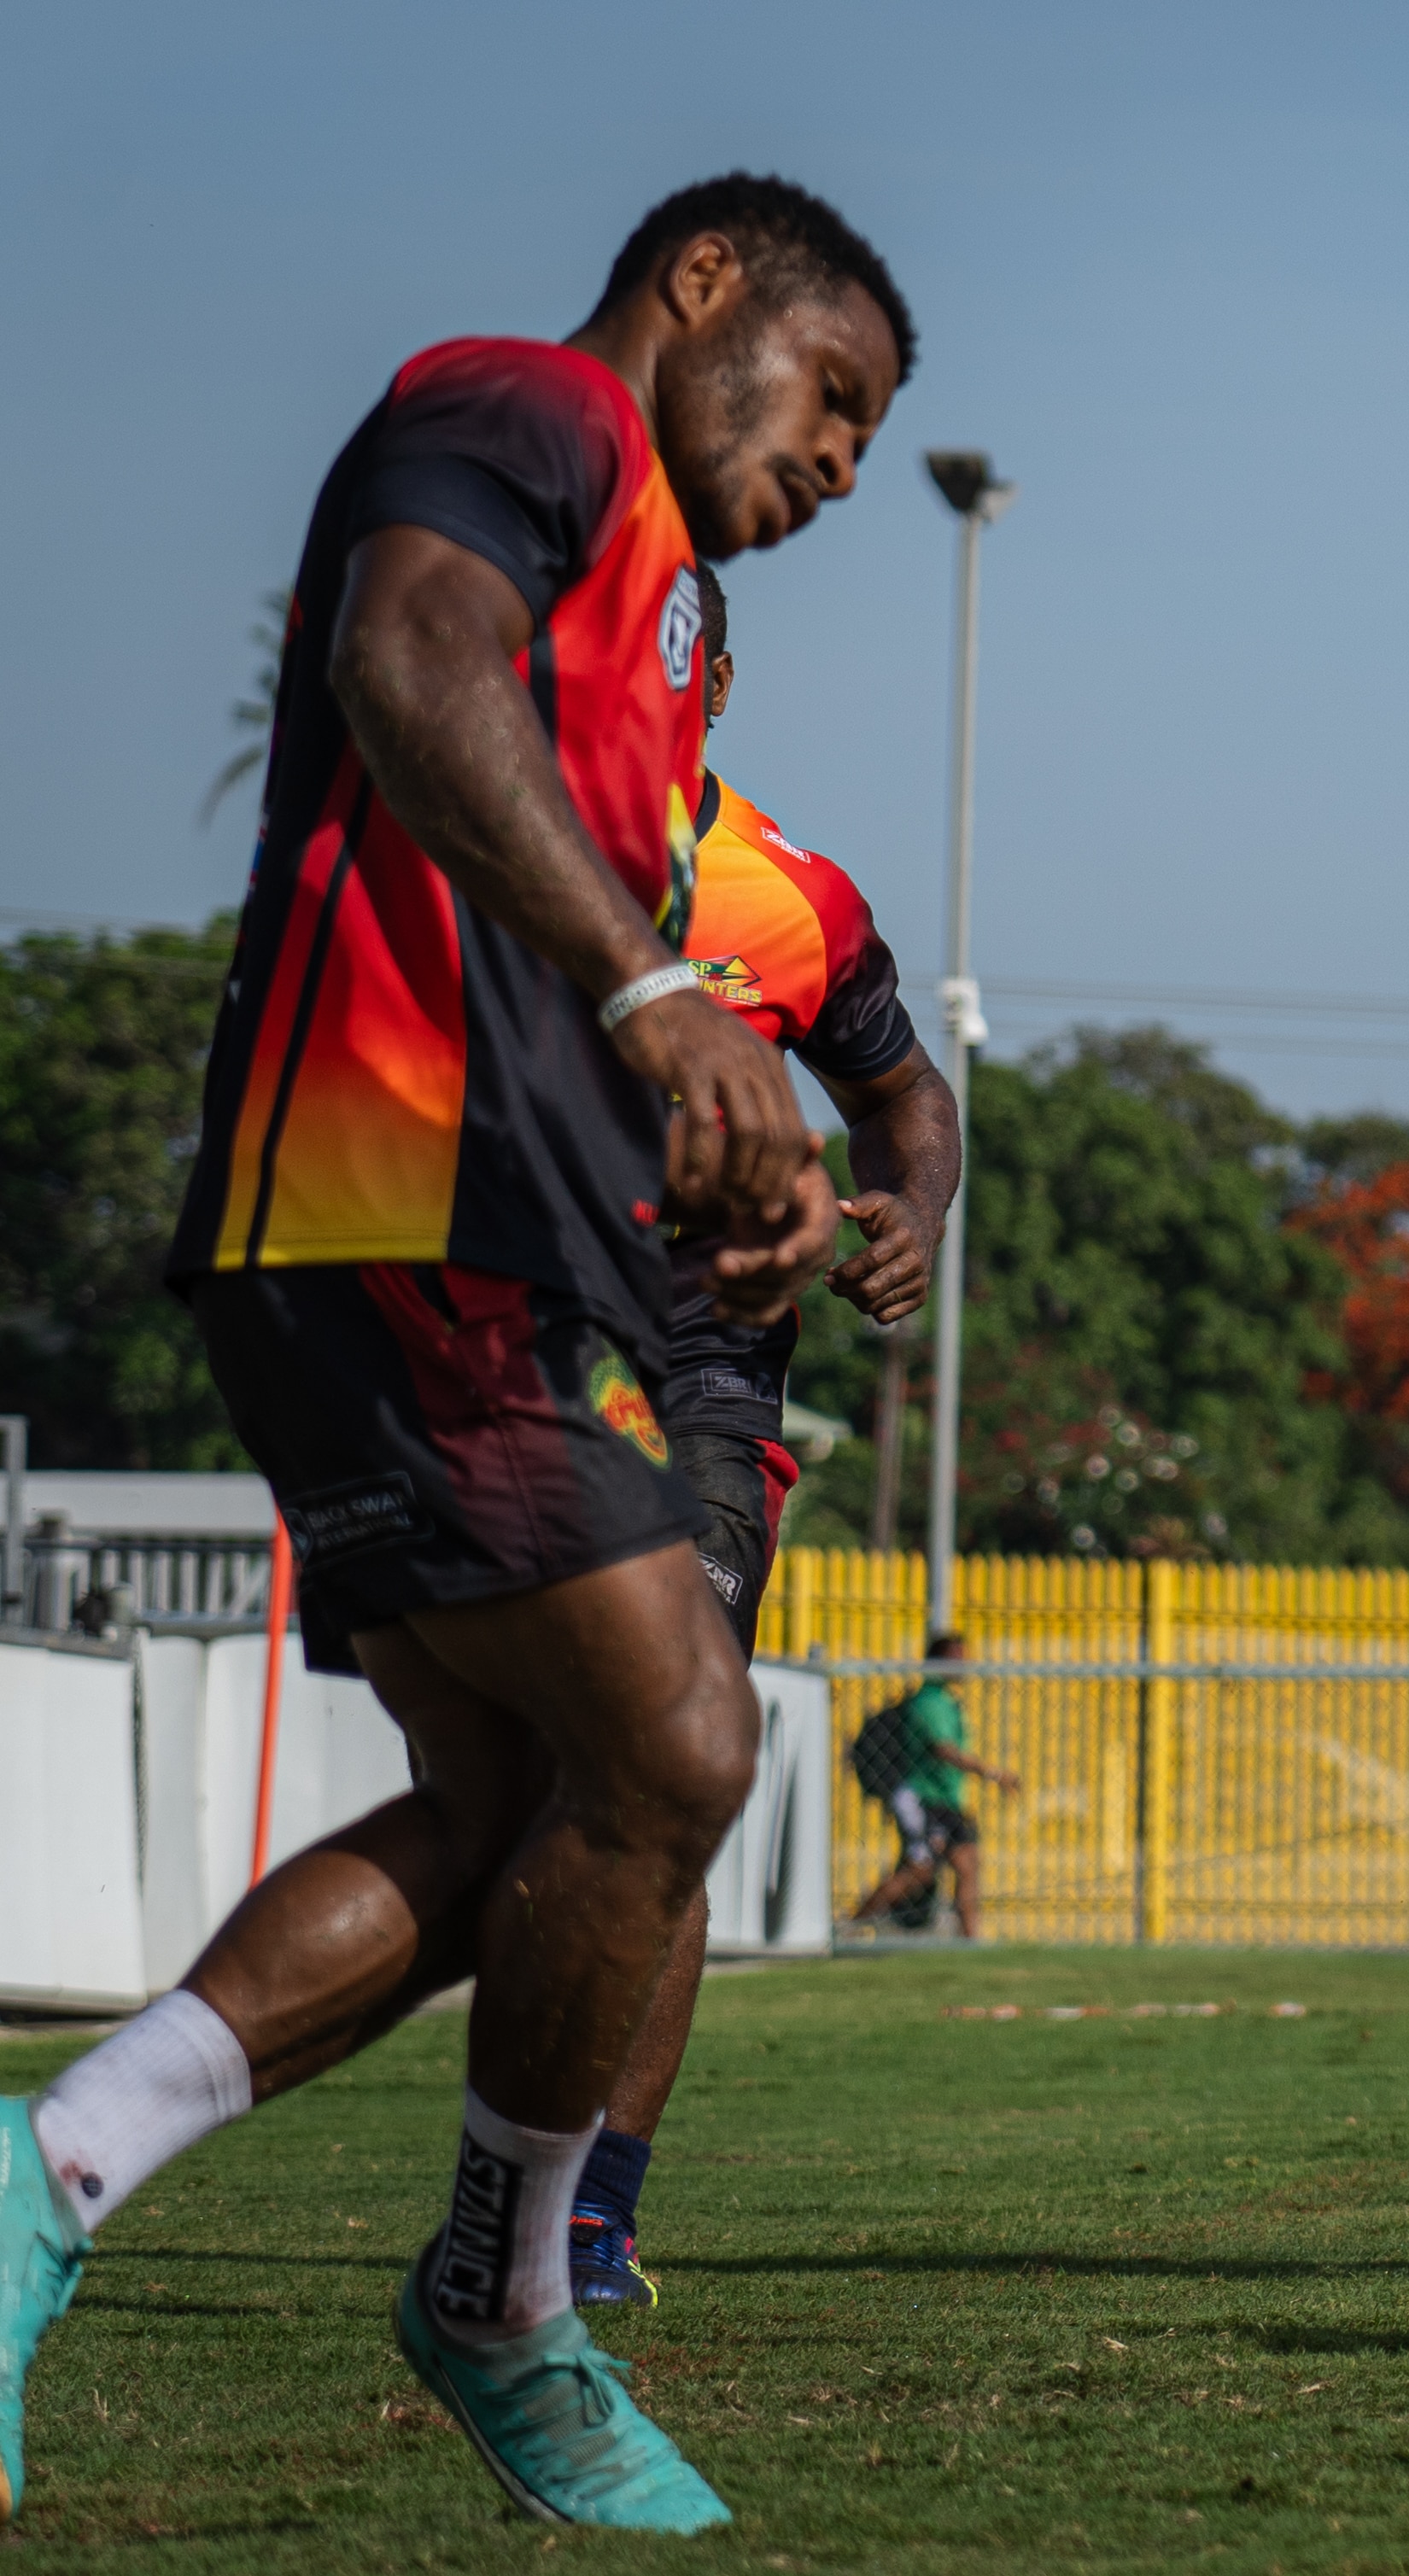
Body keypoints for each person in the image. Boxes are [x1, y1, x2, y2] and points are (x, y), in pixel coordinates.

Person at [0, 172, 914, 2532]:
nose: (833, 471)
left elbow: (563, 943)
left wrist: (740, 1154)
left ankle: (62, 2178)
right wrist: (657, 998)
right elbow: (404, 667)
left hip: (471, 1228)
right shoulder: (519, 409)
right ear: (706, 286)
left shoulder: (663, 631)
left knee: (521, 1809)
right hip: (394, 1203)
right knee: (681, 1737)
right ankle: (501, 2299)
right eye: (833, 404)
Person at [566, 562, 961, 2313]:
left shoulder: (794, 897)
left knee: (674, 1753)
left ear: (716, 674)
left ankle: (592, 2213)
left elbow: (908, 1093)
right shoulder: (489, 858)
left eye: (675, 659)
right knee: (520, 1778)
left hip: (711, 1360)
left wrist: (914, 1210)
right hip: (513, 1324)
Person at [850, 1634, 1018, 1936]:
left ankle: (971, 1940)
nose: (964, 1667)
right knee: (918, 1871)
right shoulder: (928, 1701)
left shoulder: (947, 1701)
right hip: (927, 1801)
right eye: (957, 1660)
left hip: (950, 1802)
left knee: (968, 1866)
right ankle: (850, 1926)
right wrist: (993, 1774)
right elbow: (943, 1750)